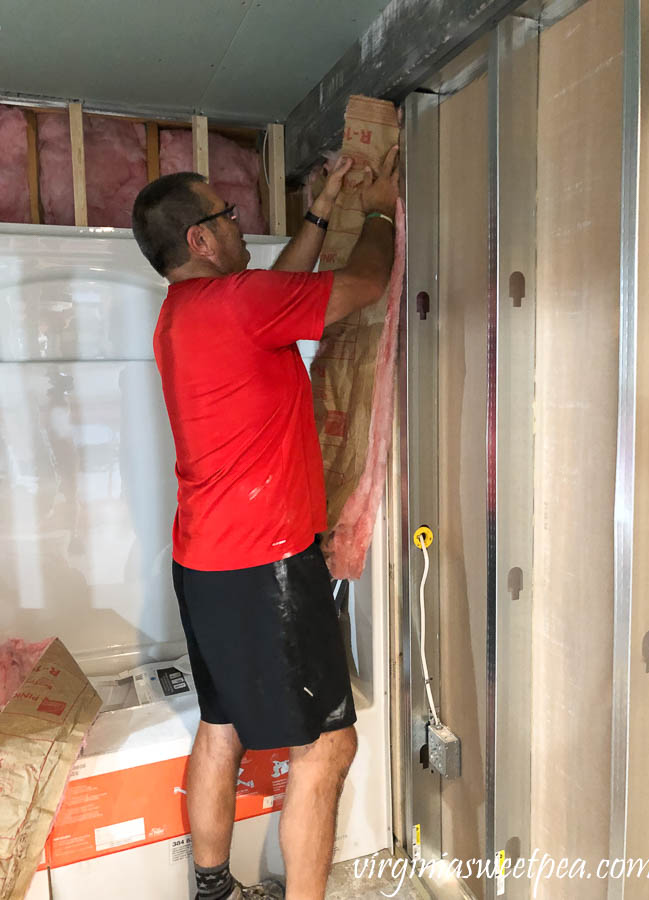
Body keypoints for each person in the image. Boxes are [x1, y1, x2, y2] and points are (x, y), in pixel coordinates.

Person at [131, 144, 399, 900]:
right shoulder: (242, 304)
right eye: (227, 214)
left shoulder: (182, 314)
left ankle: (212, 888)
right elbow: (365, 282)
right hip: (266, 566)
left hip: (205, 561)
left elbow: (276, 282)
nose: (238, 222)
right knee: (328, 746)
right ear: (200, 240)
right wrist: (378, 207)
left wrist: (318, 210)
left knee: (223, 724)